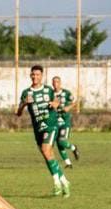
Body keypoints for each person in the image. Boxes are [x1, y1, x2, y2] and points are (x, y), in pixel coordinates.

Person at [16, 65, 71, 197]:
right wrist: (24, 103)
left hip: (50, 125)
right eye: (33, 74)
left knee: (46, 150)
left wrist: (56, 104)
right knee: (48, 156)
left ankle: (56, 183)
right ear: (30, 76)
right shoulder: (26, 93)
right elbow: (18, 113)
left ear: (42, 76)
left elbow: (57, 101)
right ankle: (65, 181)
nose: (35, 77)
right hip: (37, 129)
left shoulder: (48, 90)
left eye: (38, 75)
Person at [52, 76, 80, 168]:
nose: (55, 84)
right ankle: (68, 163)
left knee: (62, 141)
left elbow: (75, 101)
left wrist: (69, 107)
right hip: (55, 122)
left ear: (60, 83)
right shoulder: (50, 94)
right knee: (58, 143)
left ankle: (73, 148)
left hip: (65, 122)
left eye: (57, 82)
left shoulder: (66, 93)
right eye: (54, 82)